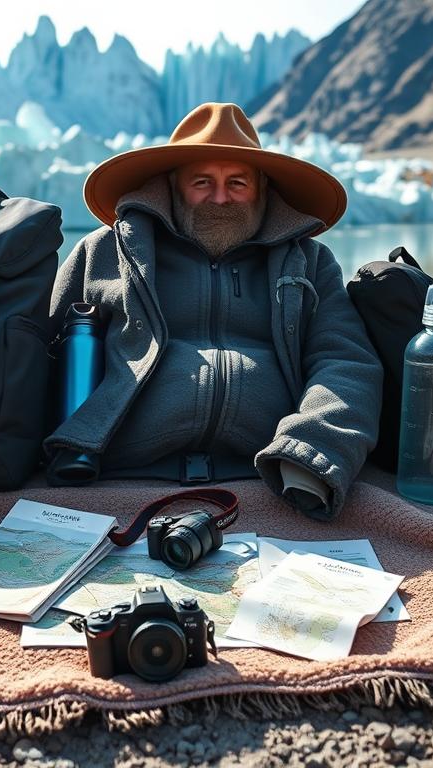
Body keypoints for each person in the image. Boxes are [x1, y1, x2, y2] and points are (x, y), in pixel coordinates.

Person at [44, 103, 383, 520]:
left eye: (237, 182)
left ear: (262, 189)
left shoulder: (308, 262)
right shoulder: (104, 251)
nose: (220, 198)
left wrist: (311, 452)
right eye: (202, 182)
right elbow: (40, 348)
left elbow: (345, 361)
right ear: (173, 186)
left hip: (273, 475)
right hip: (114, 470)